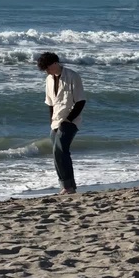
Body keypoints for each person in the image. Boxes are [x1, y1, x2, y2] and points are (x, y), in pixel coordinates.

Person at [37, 52, 86, 194]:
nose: (46, 71)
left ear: (55, 63)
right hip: (55, 122)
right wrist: (51, 122)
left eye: (47, 68)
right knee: (60, 153)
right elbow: (50, 104)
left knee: (59, 151)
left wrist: (69, 120)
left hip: (70, 120)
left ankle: (67, 186)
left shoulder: (72, 76)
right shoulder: (49, 79)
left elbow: (81, 101)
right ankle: (69, 186)